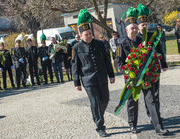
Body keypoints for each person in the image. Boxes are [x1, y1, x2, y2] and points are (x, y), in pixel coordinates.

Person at [119, 5, 169, 136]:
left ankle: (158, 127)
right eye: (132, 28)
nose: (134, 30)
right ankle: (132, 125)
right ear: (126, 30)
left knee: (151, 100)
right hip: (131, 78)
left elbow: (150, 55)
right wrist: (128, 70)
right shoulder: (122, 43)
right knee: (132, 102)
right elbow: (119, 62)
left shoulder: (143, 40)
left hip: (145, 76)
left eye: (136, 27)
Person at [72, 9, 115, 137]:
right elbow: (75, 66)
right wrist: (77, 82)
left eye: (90, 33)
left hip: (101, 77)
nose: (89, 36)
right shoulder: (76, 48)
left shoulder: (100, 44)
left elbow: (107, 61)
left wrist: (111, 75)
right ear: (81, 35)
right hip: (88, 80)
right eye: (86, 34)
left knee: (105, 99)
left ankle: (98, 116)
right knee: (95, 102)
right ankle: (100, 126)